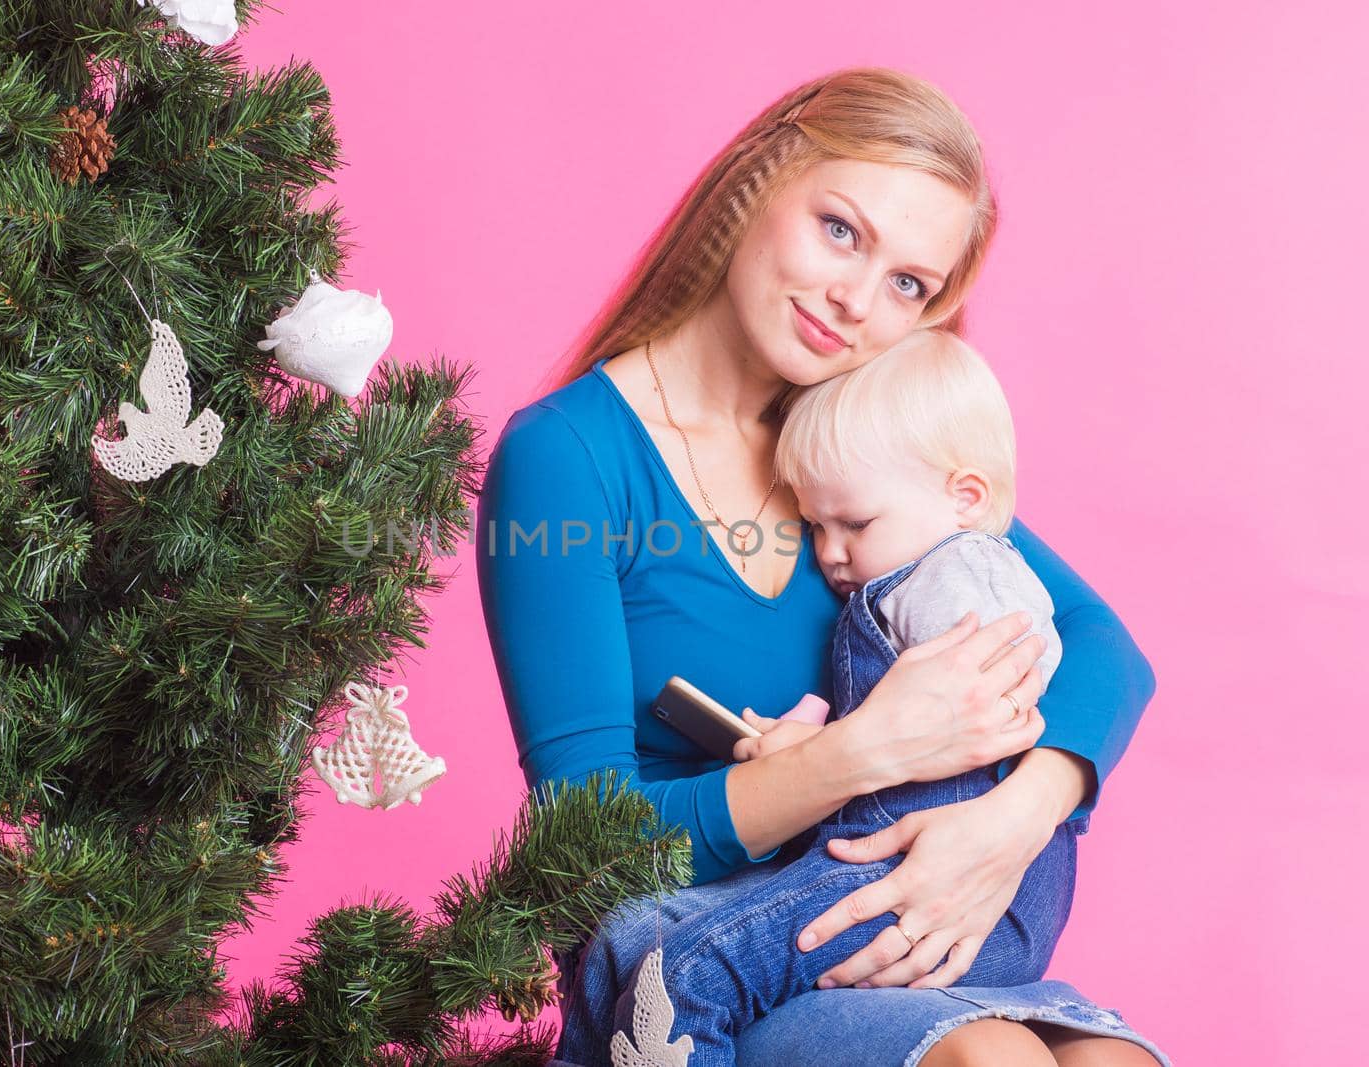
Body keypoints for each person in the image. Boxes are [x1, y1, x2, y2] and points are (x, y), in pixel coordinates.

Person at [476, 67, 1164, 1066]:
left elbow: (1104, 646)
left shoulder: (855, 449)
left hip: (894, 911)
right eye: (840, 228)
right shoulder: (567, 458)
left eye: (906, 285)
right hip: (695, 955)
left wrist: (1009, 823)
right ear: (758, 177)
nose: (852, 300)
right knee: (991, 1060)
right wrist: (862, 752)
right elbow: (587, 843)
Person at [551, 329, 1169, 1065]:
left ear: (967, 497)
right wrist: (813, 751)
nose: (830, 552)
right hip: (934, 889)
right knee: (638, 936)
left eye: (854, 524)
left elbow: (991, 706)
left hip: (936, 879)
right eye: (814, 526)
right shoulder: (918, 525)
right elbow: (903, 724)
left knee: (683, 980)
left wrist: (1009, 802)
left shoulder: (955, 572)